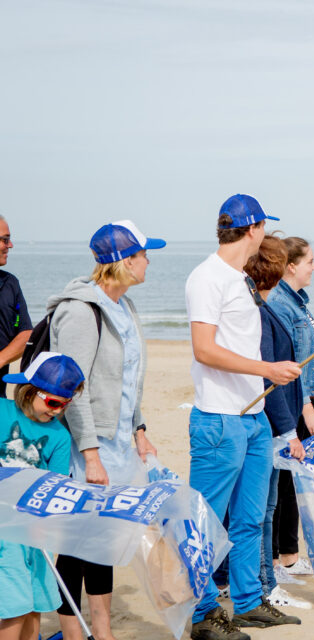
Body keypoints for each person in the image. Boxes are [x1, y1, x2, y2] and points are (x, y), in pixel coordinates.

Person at [185, 194, 301, 638]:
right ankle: (201, 613)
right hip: (219, 419)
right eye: (263, 229)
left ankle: (249, 601)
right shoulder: (207, 277)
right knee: (206, 522)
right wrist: (267, 370)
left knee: (251, 519)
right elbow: (204, 349)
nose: (266, 237)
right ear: (251, 230)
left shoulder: (244, 280)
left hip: (253, 418)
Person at [47, 221, 164, 640]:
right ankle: (74, 633)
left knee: (102, 537)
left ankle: (102, 628)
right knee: (78, 543)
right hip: (85, 448)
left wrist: (139, 427)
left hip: (115, 443)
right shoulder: (81, 311)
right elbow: (72, 389)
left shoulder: (124, 306)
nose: (149, 261)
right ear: (124, 261)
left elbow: (127, 378)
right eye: (144, 254)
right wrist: (91, 454)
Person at [244, 235, 309, 610]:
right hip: (268, 425)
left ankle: (265, 584)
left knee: (265, 509)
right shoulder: (263, 311)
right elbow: (269, 379)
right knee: (261, 511)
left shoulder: (263, 307)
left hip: (273, 424)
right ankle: (265, 587)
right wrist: (289, 430)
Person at [0, 354, 81, 640]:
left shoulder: (59, 437)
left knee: (35, 600)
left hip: (34, 531)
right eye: (53, 403)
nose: (58, 412)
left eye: (65, 405)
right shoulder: (2, 412)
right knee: (13, 603)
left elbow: (56, 485)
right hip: (4, 531)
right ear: (30, 391)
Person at [264, 237, 314, 575]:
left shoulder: (299, 301)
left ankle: (288, 554)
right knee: (282, 480)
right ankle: (274, 559)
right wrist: (306, 409)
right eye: (310, 261)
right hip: (292, 401)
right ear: (291, 265)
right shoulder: (280, 303)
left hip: (306, 398)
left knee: (293, 482)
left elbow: (310, 359)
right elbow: (288, 363)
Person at [0, 215, 32, 398]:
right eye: (4, 240)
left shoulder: (10, 283)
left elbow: (26, 333)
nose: (10, 245)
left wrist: (1, 359)